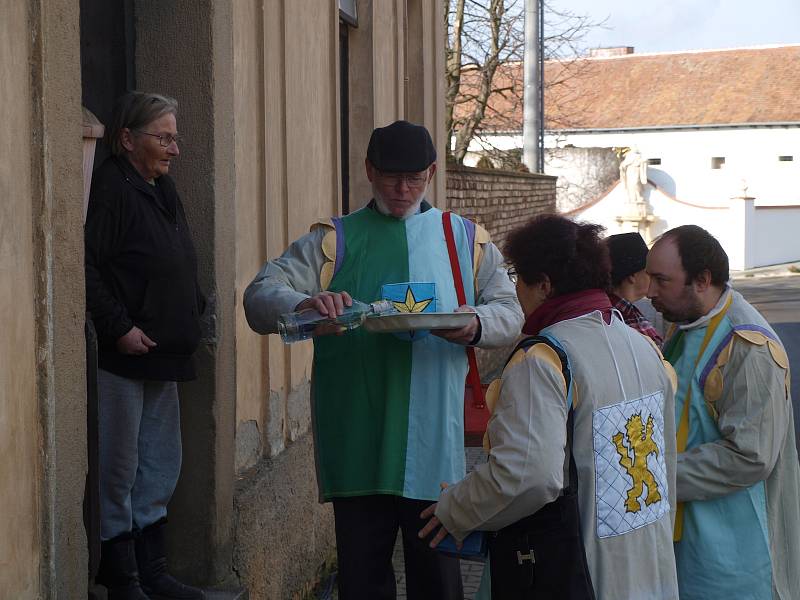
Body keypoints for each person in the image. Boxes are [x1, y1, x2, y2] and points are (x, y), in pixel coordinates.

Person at [243, 120, 523, 600]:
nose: (402, 188)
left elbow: (509, 312)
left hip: (434, 444)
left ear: (432, 172)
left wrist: (475, 324)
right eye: (391, 176)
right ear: (370, 170)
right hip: (358, 440)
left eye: (414, 177)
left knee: (438, 581)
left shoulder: (466, 241)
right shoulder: (334, 240)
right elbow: (259, 296)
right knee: (363, 582)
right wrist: (305, 305)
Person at [420, 215, 679, 599]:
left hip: (580, 573)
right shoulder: (642, 346)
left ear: (543, 285)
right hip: (650, 564)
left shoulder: (544, 359)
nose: (516, 291)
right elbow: (666, 461)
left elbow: (528, 475)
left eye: (517, 279)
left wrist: (456, 507)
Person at [85, 91, 206, 600]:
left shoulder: (163, 188)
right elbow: (88, 267)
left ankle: (152, 571)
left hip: (166, 353)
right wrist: (118, 328)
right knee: (119, 466)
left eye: (175, 137)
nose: (174, 149)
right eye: (164, 137)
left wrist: (193, 308)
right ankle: (121, 576)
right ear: (128, 138)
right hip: (126, 354)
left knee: (160, 464)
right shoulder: (111, 188)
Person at [646, 225, 800, 600]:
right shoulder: (686, 322)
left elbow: (750, 456)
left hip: (734, 554)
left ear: (702, 280)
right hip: (689, 539)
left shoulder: (749, 347)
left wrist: (655, 476)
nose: (649, 293)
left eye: (661, 281)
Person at [606, 232, 663, 346]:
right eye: (648, 273)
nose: (653, 278)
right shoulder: (613, 315)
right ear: (632, 276)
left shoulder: (627, 311)